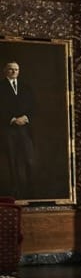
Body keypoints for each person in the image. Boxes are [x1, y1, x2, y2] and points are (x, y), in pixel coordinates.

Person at [0, 61, 35, 197]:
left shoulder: (26, 88)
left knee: (29, 158)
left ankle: (30, 187)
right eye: (11, 69)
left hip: (24, 128)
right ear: (5, 71)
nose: (14, 72)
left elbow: (33, 106)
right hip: (8, 128)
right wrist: (13, 120)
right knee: (12, 158)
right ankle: (15, 188)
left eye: (17, 69)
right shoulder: (1, 87)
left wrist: (25, 117)